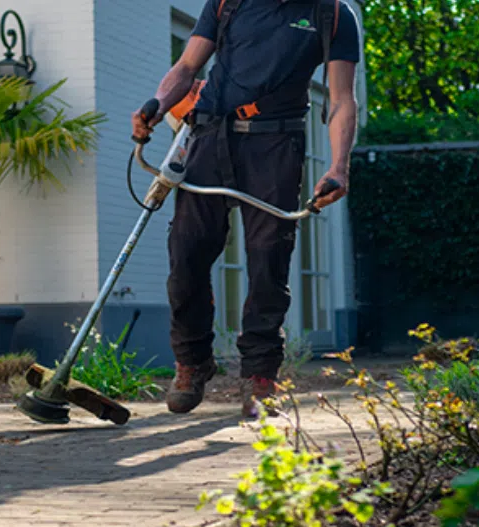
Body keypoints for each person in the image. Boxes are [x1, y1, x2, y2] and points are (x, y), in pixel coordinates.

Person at [131, 0, 361, 418]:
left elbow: (342, 99)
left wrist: (338, 167)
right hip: (210, 137)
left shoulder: (333, 14)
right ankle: (193, 361)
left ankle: (259, 377)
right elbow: (185, 68)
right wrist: (158, 104)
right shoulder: (227, 3)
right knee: (186, 255)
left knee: (268, 263)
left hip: (276, 145)